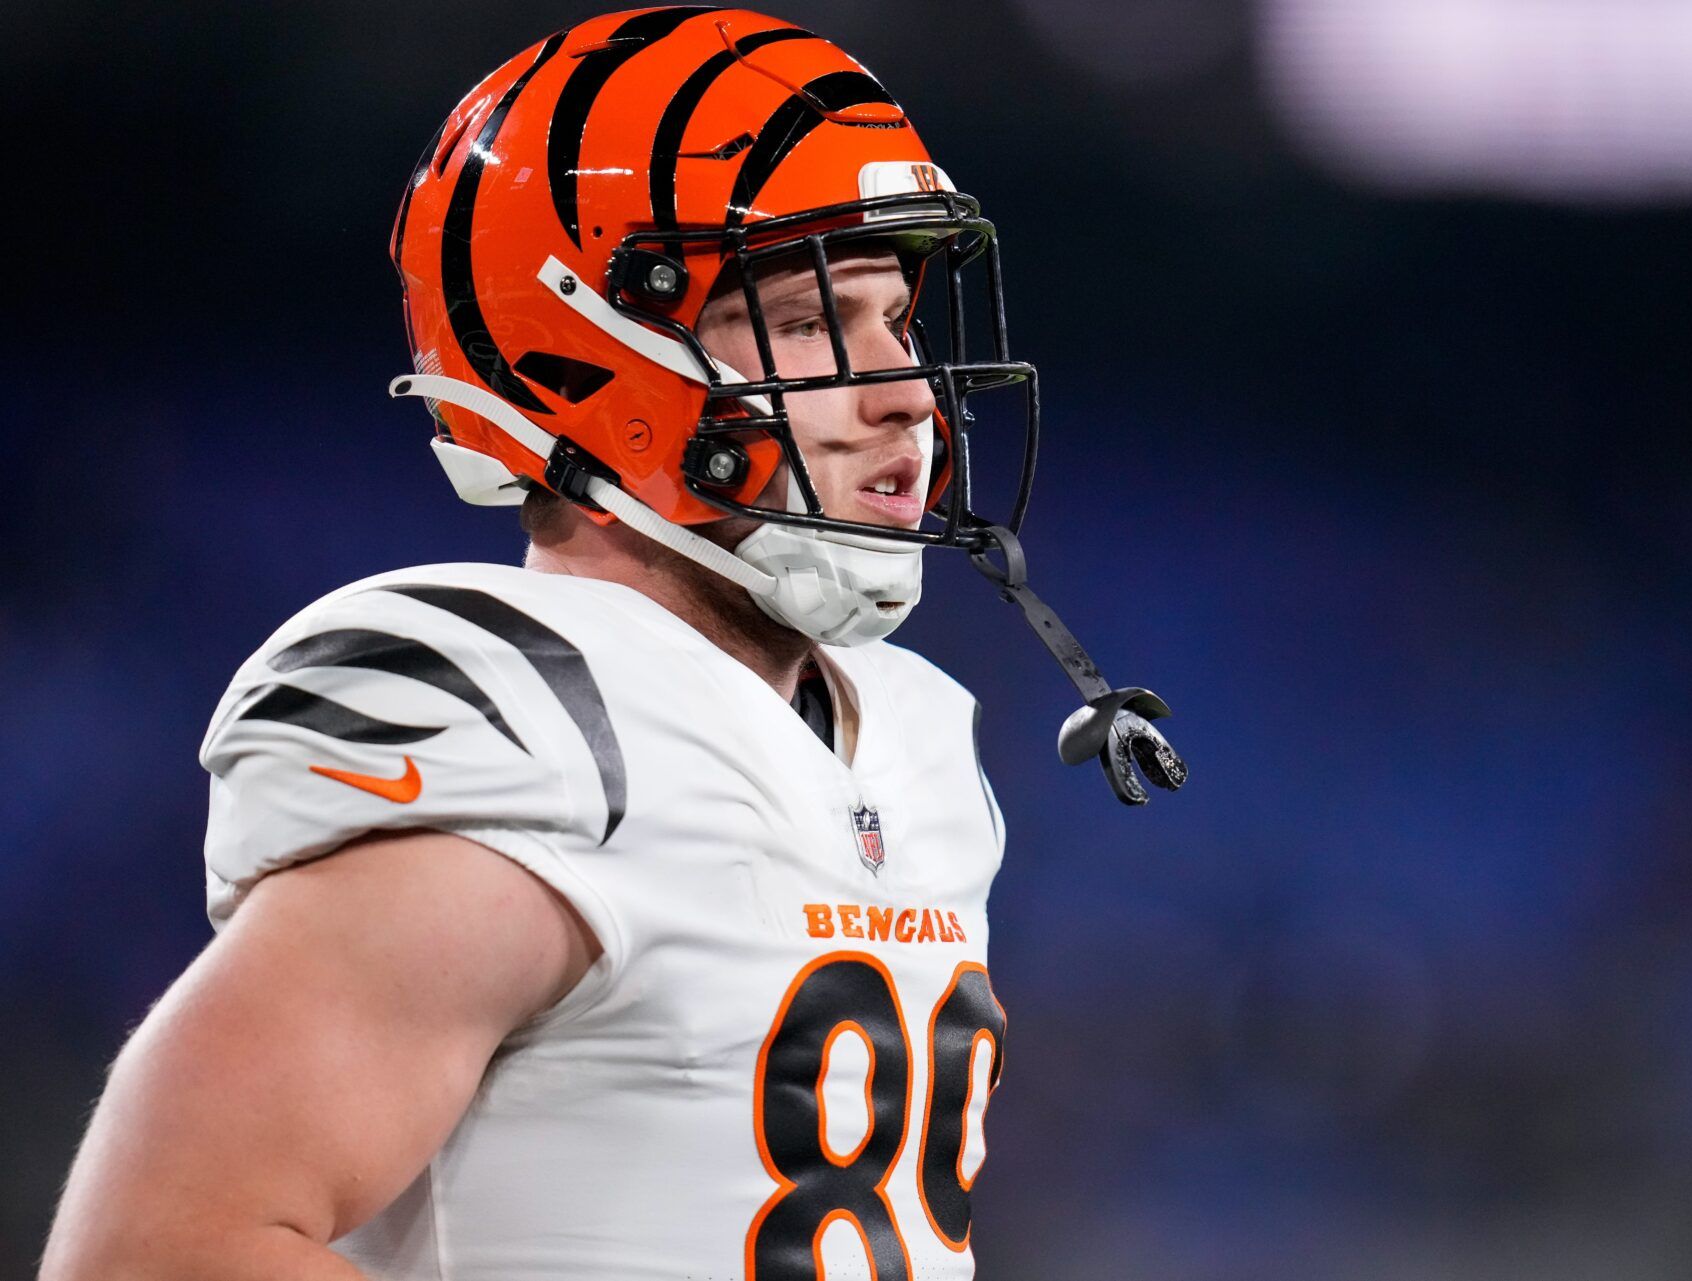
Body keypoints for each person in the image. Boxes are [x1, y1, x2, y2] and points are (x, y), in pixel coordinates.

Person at [40, 9, 1183, 1280]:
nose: (906, 387)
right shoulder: (541, 728)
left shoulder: (908, 739)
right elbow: (161, 1248)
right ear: (581, 356)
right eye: (807, 321)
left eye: (897, 317)